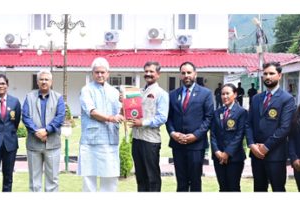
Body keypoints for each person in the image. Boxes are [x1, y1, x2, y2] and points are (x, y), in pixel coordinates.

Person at [246, 62, 296, 192]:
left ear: (279, 75)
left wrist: (266, 147)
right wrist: (251, 144)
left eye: (271, 73)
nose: (268, 76)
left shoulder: (287, 99)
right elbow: (248, 124)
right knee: (259, 189)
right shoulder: (256, 98)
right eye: (265, 74)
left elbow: (285, 128)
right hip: (256, 154)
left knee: (278, 189)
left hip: (275, 155)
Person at [78, 57, 124, 192]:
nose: (100, 75)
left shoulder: (115, 92)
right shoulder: (86, 90)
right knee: (89, 179)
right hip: (91, 140)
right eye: (97, 72)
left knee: (110, 178)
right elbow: (91, 112)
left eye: (103, 72)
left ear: (108, 73)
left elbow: (120, 114)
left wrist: (124, 104)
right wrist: (111, 118)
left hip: (110, 139)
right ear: (92, 73)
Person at [166, 62, 213, 192]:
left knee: (195, 181)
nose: (186, 75)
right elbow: (168, 118)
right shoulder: (173, 94)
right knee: (181, 181)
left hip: (196, 145)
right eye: (183, 73)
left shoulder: (206, 94)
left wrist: (196, 135)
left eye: (189, 72)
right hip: (178, 144)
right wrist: (173, 133)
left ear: (195, 74)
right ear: (180, 75)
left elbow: (208, 118)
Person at [22, 70, 65, 192]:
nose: (44, 82)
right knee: (34, 182)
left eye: (47, 79)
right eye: (41, 79)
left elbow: (60, 117)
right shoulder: (29, 97)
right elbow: (25, 117)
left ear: (51, 82)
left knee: (52, 180)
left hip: (52, 145)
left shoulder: (58, 98)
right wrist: (37, 132)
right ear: (37, 81)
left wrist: (46, 131)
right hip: (33, 145)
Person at [129, 61, 169, 192]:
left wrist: (143, 122)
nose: (148, 74)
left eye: (151, 71)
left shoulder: (161, 94)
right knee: (140, 177)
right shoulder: (138, 92)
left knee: (152, 178)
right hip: (136, 139)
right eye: (146, 71)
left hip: (150, 141)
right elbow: (131, 111)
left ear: (158, 74)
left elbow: (162, 118)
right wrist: (123, 102)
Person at [210, 83, 247, 191]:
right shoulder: (217, 113)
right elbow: (212, 134)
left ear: (235, 94)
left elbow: (239, 135)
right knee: (222, 188)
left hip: (234, 157)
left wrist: (227, 153)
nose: (225, 96)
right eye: (222, 94)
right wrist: (217, 152)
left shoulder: (242, 112)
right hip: (218, 158)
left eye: (227, 93)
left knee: (233, 187)